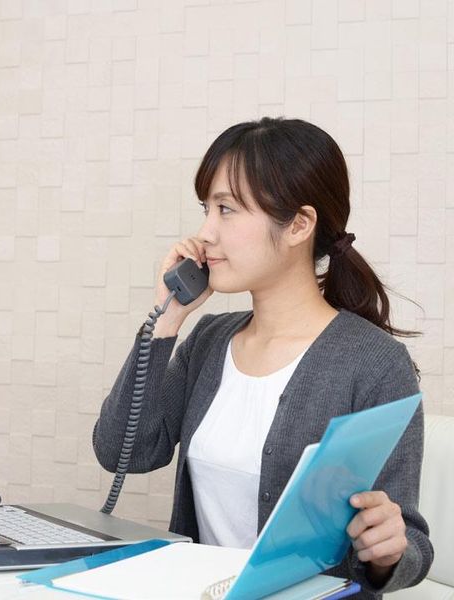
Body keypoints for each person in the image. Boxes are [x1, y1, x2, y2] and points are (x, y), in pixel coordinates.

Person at [93, 117, 433, 598]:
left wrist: (388, 550)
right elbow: (121, 451)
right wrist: (165, 321)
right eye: (206, 209)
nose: (205, 233)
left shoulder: (375, 363)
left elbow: (409, 543)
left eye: (226, 209)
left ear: (299, 224)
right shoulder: (209, 340)